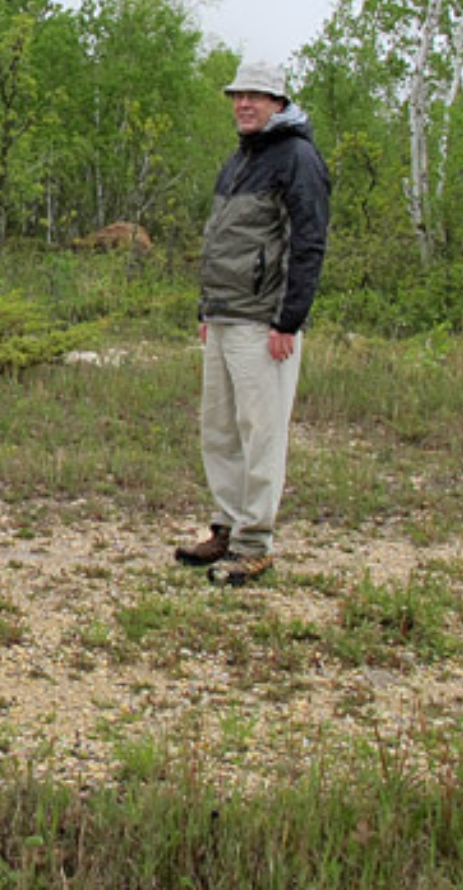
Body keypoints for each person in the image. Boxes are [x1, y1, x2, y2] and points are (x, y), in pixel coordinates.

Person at [175, 60, 330, 585]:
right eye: (239, 95)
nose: (245, 104)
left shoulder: (297, 159)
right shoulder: (240, 159)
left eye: (257, 96)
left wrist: (289, 319)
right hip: (224, 317)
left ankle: (255, 541)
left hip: (263, 323)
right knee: (219, 429)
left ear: (279, 104)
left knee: (260, 432)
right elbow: (225, 240)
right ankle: (226, 527)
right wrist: (207, 310)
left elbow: (308, 242)